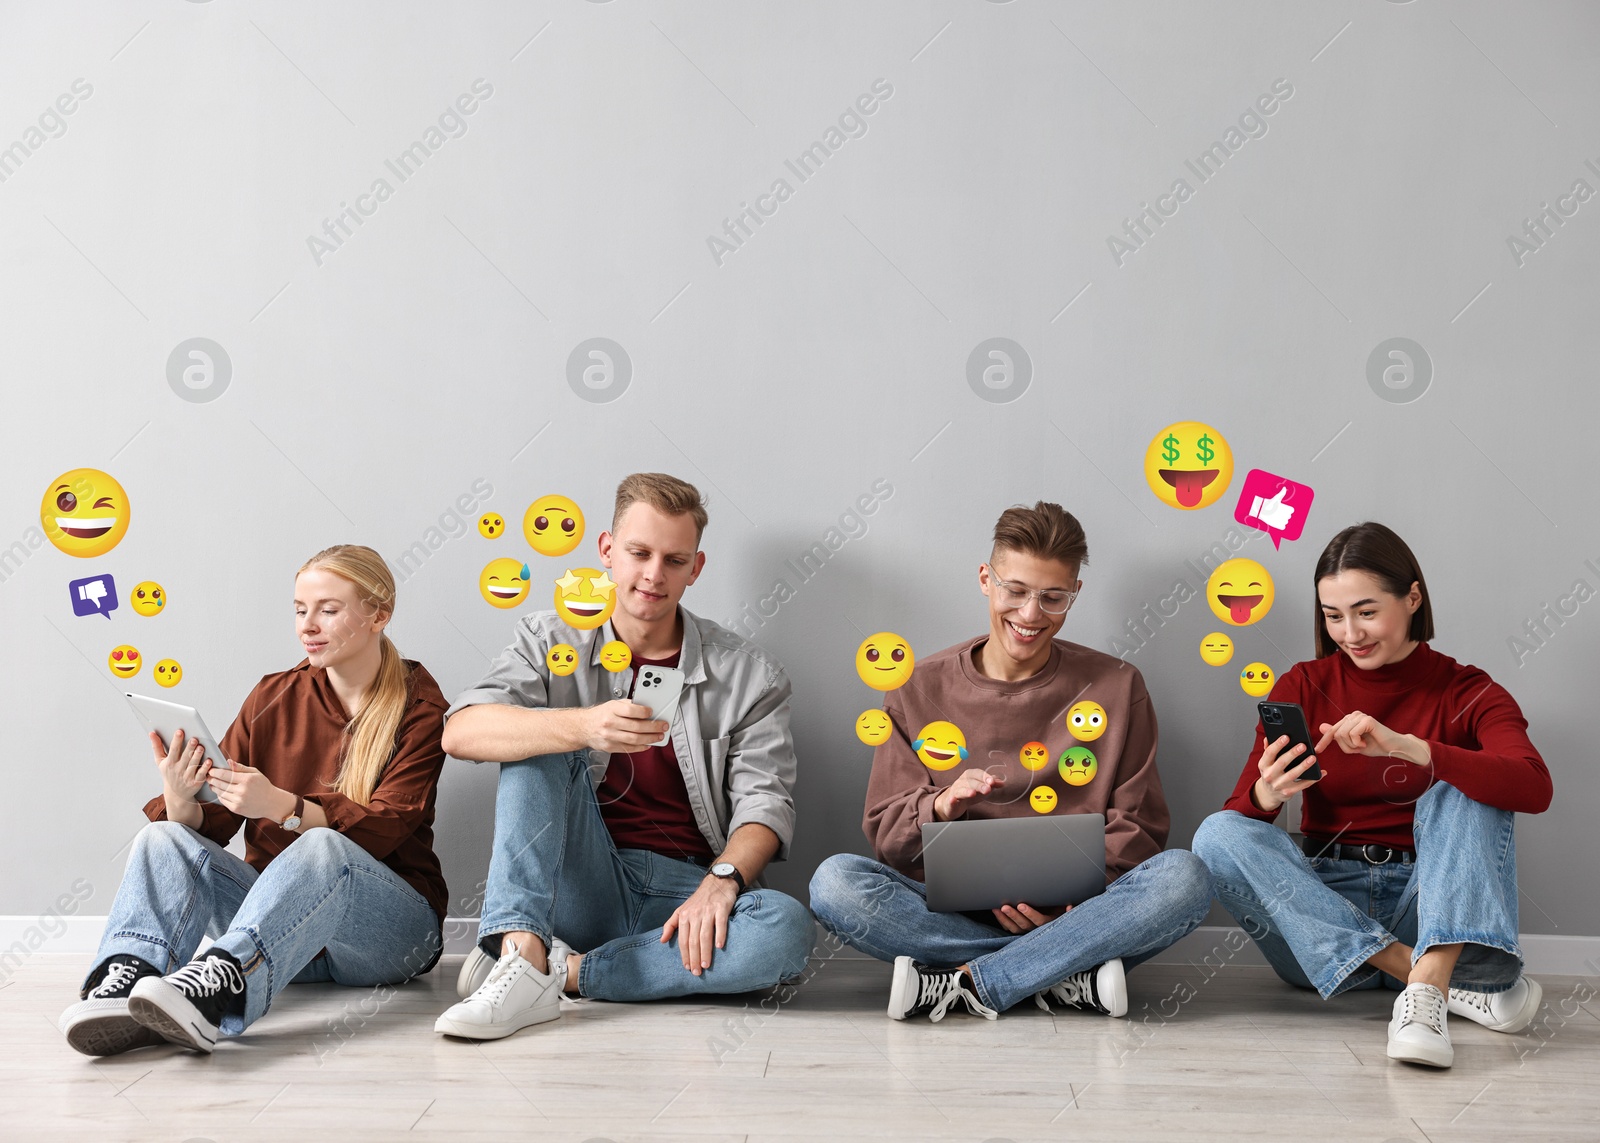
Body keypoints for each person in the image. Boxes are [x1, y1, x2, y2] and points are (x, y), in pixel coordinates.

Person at [434, 473, 813, 1040]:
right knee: (539, 743)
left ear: (695, 568)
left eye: (674, 560)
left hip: (685, 896)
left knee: (785, 929)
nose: (653, 575)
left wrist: (722, 882)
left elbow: (766, 802)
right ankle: (521, 952)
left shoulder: (750, 675)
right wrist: (581, 725)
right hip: (582, 878)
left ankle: (556, 973)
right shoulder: (548, 636)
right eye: (638, 553)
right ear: (607, 551)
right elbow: (461, 732)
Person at [809, 502, 1213, 1022]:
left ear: (1074, 595)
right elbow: (888, 837)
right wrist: (941, 805)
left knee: (1187, 876)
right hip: (952, 911)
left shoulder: (1118, 685)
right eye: (1015, 591)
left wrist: (1064, 909)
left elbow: (1139, 826)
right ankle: (1063, 976)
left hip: (1078, 911)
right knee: (834, 883)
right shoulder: (914, 685)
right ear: (986, 579)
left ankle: (970, 982)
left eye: (1052, 597)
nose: (1030, 615)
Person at [59, 544, 450, 1056]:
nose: (308, 625)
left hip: (384, 939)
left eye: (328, 610)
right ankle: (130, 977)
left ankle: (221, 989)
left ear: (379, 614)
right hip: (283, 932)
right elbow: (210, 827)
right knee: (163, 836)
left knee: (322, 846)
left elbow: (388, 825)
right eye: (299, 610)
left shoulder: (420, 705)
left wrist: (284, 806)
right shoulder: (273, 697)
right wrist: (181, 795)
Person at [1192, 522, 1552, 1069]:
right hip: (1319, 922)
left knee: (1462, 787)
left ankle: (1429, 980)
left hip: (1430, 911)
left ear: (1412, 597)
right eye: (1333, 616)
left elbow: (1532, 785)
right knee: (1216, 832)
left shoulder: (1468, 690)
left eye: (1365, 611)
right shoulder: (1302, 684)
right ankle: (1427, 980)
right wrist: (1265, 795)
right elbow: (1236, 829)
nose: (1349, 633)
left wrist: (1416, 750)